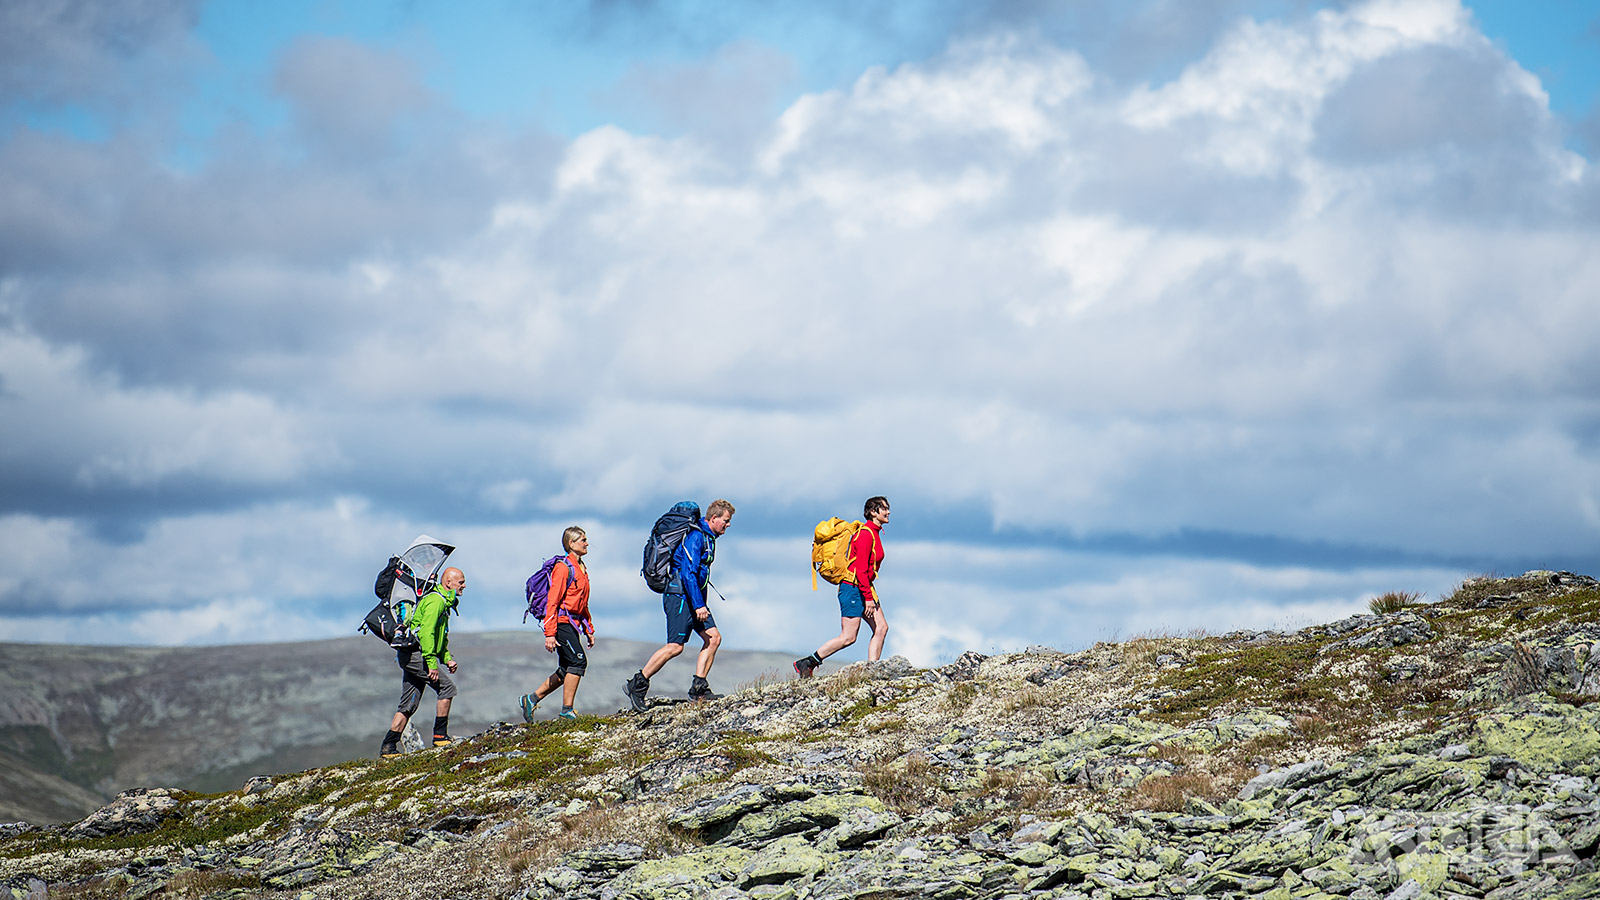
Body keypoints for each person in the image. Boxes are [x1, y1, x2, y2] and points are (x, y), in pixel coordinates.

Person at [624, 499, 734, 710]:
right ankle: (637, 684)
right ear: (713, 518)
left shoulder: (709, 537)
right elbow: (688, 574)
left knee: (713, 638)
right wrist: (699, 605)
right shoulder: (695, 537)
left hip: (694, 598)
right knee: (675, 647)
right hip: (680, 597)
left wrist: (701, 603)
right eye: (726, 521)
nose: (728, 525)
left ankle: (698, 688)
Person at [794, 497, 890, 678]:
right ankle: (807, 662)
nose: (888, 512)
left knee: (881, 628)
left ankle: (872, 672)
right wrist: (868, 598)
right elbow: (860, 570)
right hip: (853, 588)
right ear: (873, 512)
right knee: (848, 637)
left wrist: (868, 594)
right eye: (884, 509)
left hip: (863, 587)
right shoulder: (865, 534)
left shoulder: (874, 533)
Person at [379, 566, 465, 757]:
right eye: (461, 582)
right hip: (417, 654)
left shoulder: (443, 601)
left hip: (411, 655)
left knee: (409, 703)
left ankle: (388, 746)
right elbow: (427, 634)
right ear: (448, 583)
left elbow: (440, 637)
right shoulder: (436, 601)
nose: (464, 586)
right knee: (447, 689)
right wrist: (432, 665)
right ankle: (440, 736)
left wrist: (447, 659)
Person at [521, 527, 594, 722]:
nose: (587, 543)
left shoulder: (582, 568)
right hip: (560, 623)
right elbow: (552, 602)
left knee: (566, 669)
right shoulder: (563, 568)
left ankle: (531, 699)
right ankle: (566, 710)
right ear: (571, 543)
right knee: (578, 661)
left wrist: (588, 628)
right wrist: (549, 634)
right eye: (583, 540)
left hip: (573, 624)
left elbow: (581, 603)